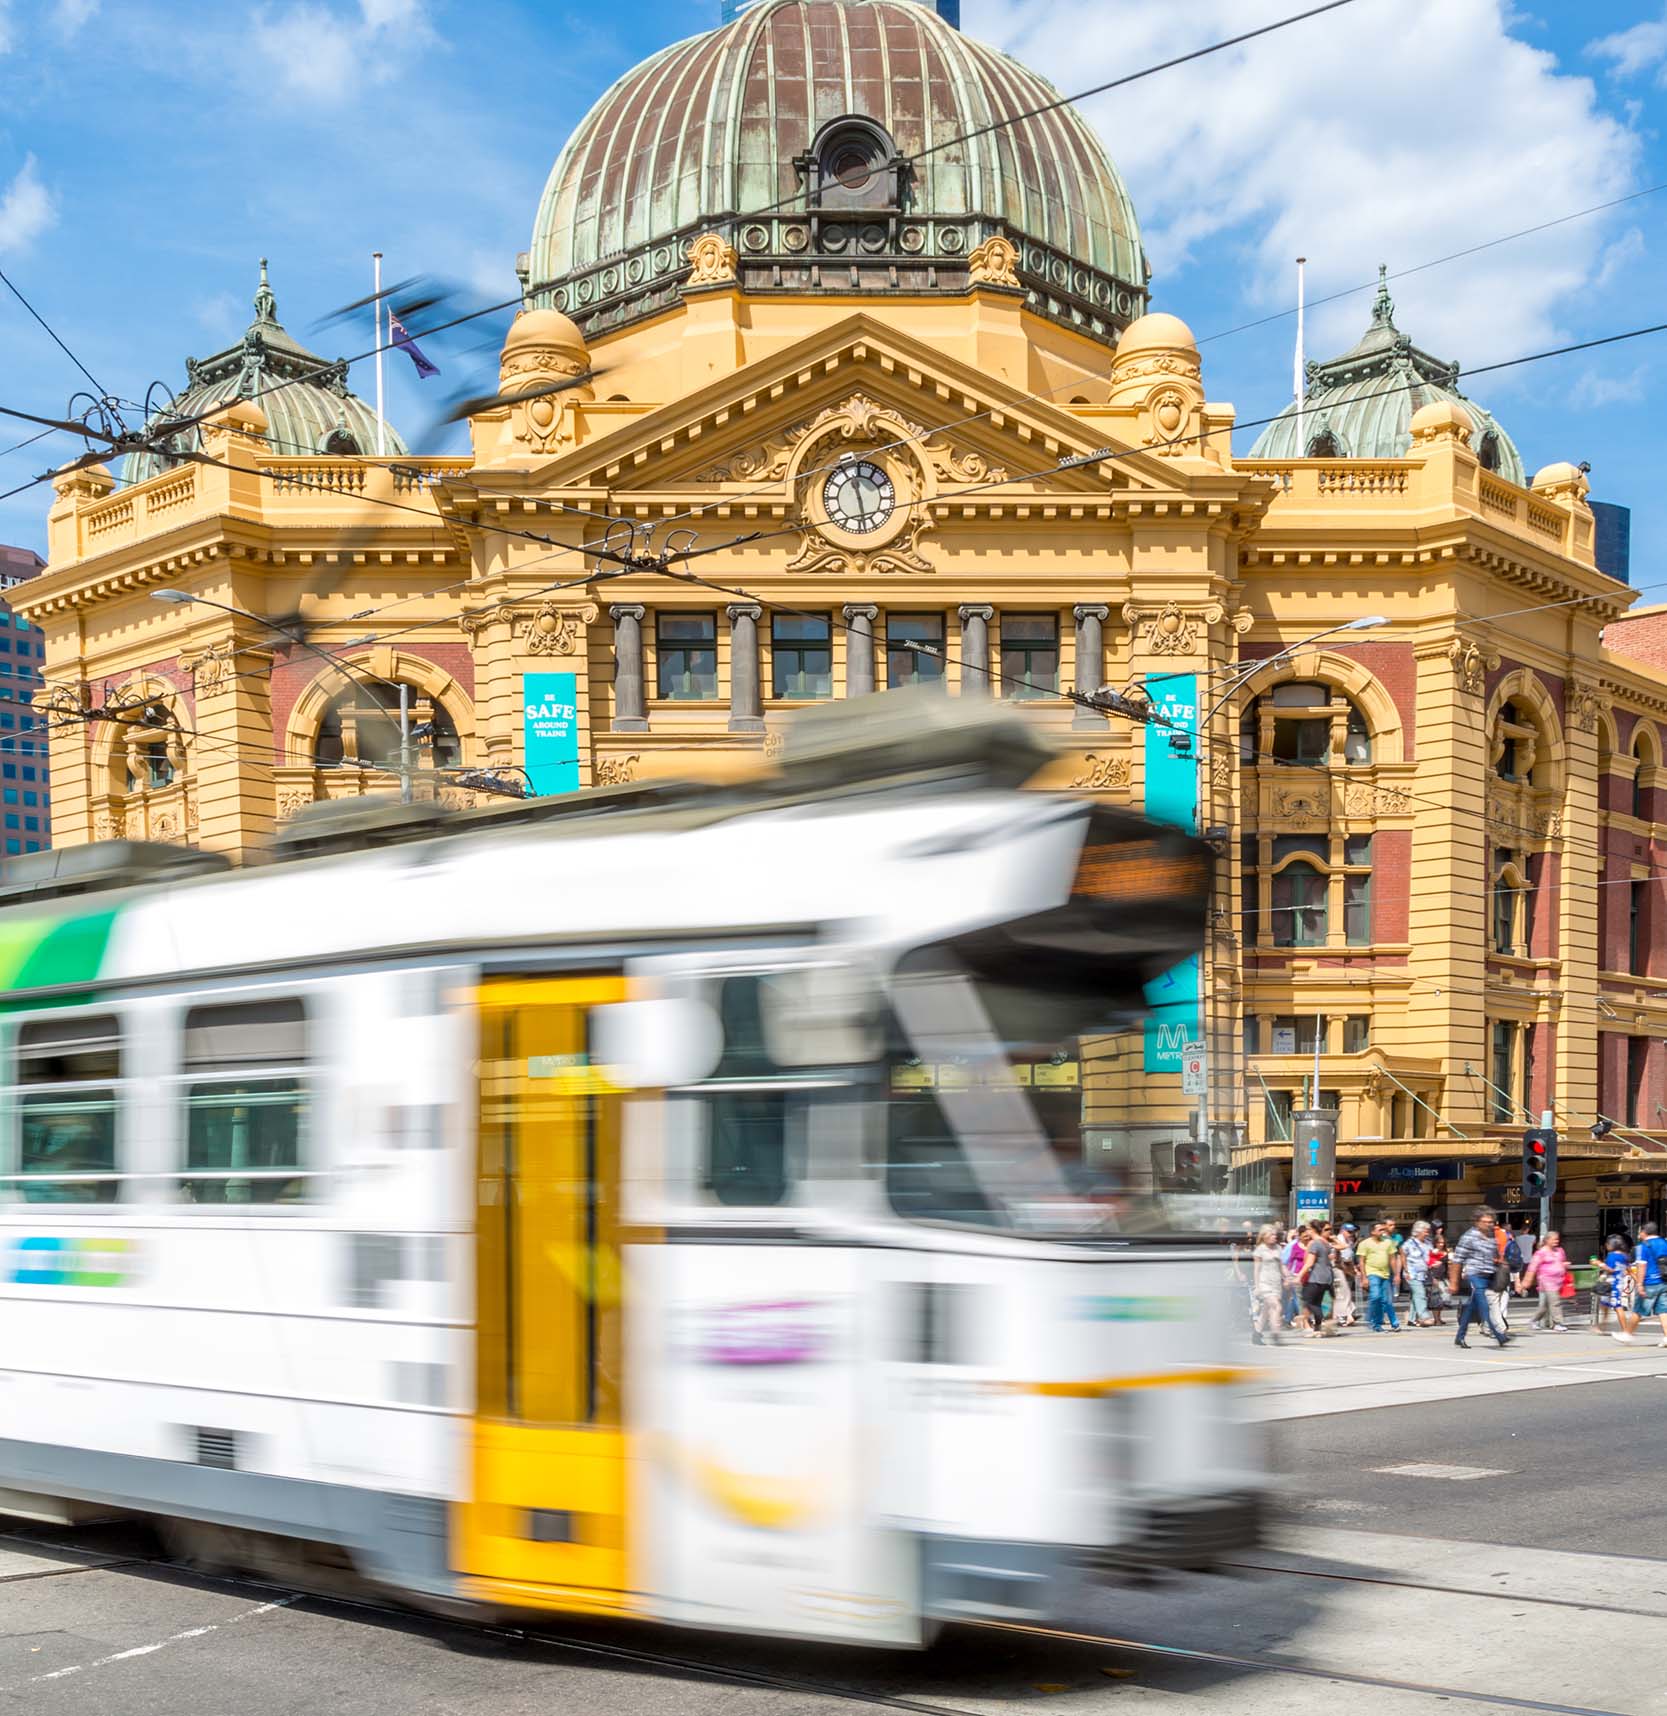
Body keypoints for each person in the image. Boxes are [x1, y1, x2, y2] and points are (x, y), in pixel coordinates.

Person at [1449, 1206, 1510, 1348]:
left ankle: (1460, 1336)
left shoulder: (1491, 1236)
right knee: (1484, 1305)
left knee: (1471, 1307)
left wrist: (1501, 1264)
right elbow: (1457, 1260)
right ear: (1477, 1222)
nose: (1489, 1224)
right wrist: (1454, 1282)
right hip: (1475, 1275)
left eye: (1491, 1222)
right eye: (1485, 1221)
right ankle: (1499, 1335)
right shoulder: (1468, 1237)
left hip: (1489, 1275)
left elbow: (1495, 1255)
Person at [1522, 1231, 1570, 1332]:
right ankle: (1558, 1323)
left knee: (1545, 1305)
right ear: (1547, 1240)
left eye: (1557, 1239)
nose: (1556, 1241)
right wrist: (1527, 1280)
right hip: (1546, 1280)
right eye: (1554, 1239)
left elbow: (1563, 1261)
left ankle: (1534, 1320)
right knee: (1555, 1301)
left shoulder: (1560, 1251)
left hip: (1558, 1281)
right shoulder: (1541, 1252)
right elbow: (1532, 1267)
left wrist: (1565, 1265)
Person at [1358, 1220, 1401, 1332]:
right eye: (1380, 1230)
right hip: (1372, 1273)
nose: (1383, 1232)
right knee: (1375, 1297)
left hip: (1385, 1274)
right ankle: (1374, 1322)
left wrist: (1396, 1274)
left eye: (1383, 1229)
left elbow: (1392, 1259)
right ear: (1372, 1232)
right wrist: (1364, 1277)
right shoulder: (1365, 1244)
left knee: (1387, 1300)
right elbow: (1361, 1261)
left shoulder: (1388, 1242)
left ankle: (1393, 1322)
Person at [1631, 1221, 1667, 1348]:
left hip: (1649, 1282)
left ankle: (1627, 1333)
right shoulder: (1664, 1242)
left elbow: (1642, 1265)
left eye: (1640, 1231)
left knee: (1638, 1309)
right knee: (1663, 1310)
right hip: (1664, 1281)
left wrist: (1640, 1284)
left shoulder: (1642, 1246)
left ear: (1644, 1232)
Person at [1297, 1222, 1336, 1337]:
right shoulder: (1325, 1242)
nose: (1307, 1231)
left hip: (1316, 1277)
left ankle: (1320, 1325)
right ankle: (1317, 1329)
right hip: (1327, 1277)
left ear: (1313, 1230)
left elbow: (1309, 1263)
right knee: (1317, 1302)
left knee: (1308, 1302)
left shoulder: (1315, 1243)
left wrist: (1299, 1276)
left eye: (1308, 1229)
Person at [1250, 1224, 1285, 1345]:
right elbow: (1257, 1269)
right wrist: (1257, 1286)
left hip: (1276, 1282)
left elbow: (1282, 1266)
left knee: (1266, 1310)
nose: (1275, 1237)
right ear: (1264, 1236)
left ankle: (1257, 1333)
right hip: (1264, 1282)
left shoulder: (1278, 1248)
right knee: (1276, 1306)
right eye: (1272, 1234)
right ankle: (1276, 1333)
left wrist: (1287, 1277)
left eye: (1275, 1234)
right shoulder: (1260, 1249)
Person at [1601, 1235, 1639, 1342]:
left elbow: (1610, 1270)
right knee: (1605, 1305)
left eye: (1607, 1244)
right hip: (1619, 1283)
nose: (1606, 1245)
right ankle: (1601, 1326)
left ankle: (1625, 1330)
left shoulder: (1611, 1256)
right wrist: (1639, 1282)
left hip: (1613, 1284)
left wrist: (1599, 1264)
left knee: (1617, 1307)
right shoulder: (1624, 1256)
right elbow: (1630, 1271)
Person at [1402, 1220, 1436, 1325]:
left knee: (1416, 1296)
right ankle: (1424, 1316)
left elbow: (1431, 1257)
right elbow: (1402, 1256)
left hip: (1423, 1273)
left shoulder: (1428, 1243)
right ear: (1418, 1231)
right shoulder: (1409, 1244)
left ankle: (1411, 1319)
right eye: (1425, 1231)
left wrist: (1434, 1263)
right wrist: (1406, 1270)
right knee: (1420, 1293)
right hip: (1412, 1273)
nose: (1427, 1233)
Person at [1332, 1223, 1358, 1327]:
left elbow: (1349, 1258)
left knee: (1345, 1292)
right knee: (1343, 1292)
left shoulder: (1350, 1241)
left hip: (1346, 1268)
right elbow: (1338, 1258)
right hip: (1338, 1268)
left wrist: (1353, 1269)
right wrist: (1347, 1270)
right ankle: (1344, 1315)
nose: (1351, 1234)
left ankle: (1347, 1314)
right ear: (1342, 1231)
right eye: (1349, 1231)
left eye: (1352, 1232)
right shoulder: (1339, 1240)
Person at [1427, 1224, 1451, 1326]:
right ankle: (1436, 1319)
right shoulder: (1432, 1252)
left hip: (1444, 1277)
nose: (1441, 1244)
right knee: (1436, 1299)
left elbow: (1449, 1264)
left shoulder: (1446, 1252)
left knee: (1444, 1298)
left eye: (1442, 1242)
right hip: (1435, 1277)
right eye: (1439, 1242)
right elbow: (1428, 1263)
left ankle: (1439, 1318)